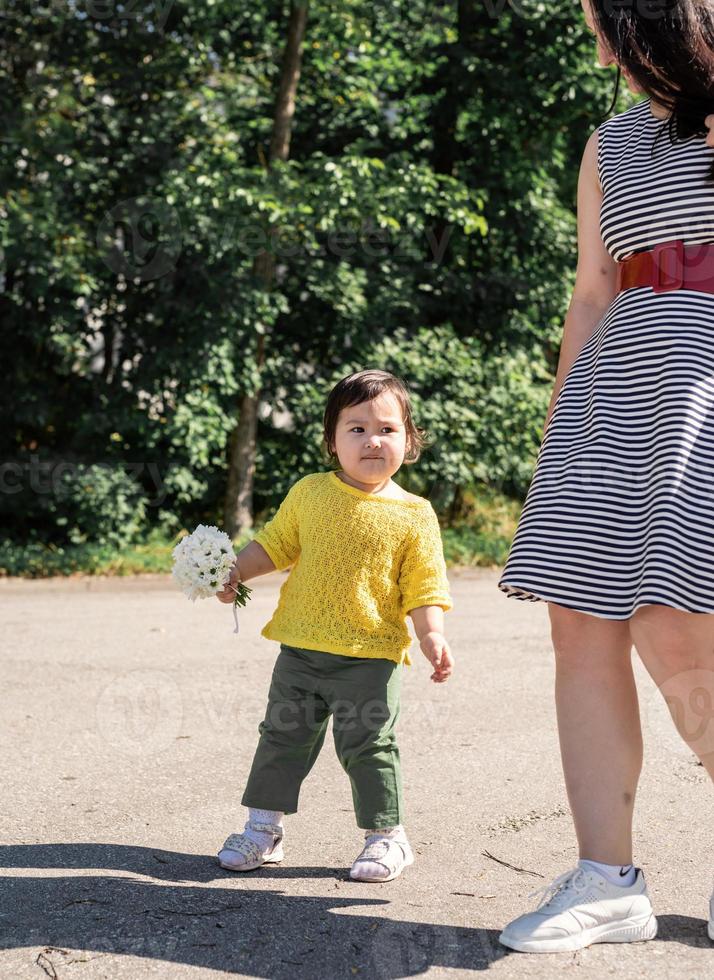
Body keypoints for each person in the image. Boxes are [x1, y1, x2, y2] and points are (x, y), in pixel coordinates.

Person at [497, 0, 714, 953]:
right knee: (581, 623)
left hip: (704, 389)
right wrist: (558, 435)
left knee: (678, 626)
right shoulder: (609, 142)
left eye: (607, 27)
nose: (599, 50)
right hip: (614, 391)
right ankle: (607, 879)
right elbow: (593, 291)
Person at [214, 369, 454, 881]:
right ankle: (263, 829)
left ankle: (388, 837)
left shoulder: (415, 514)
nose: (373, 440)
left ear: (409, 442)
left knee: (369, 745)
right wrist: (236, 569)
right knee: (281, 736)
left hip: (371, 656)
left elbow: (424, 585)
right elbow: (275, 545)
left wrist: (431, 633)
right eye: (357, 428)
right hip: (300, 648)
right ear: (332, 441)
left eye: (387, 429)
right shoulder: (310, 493)